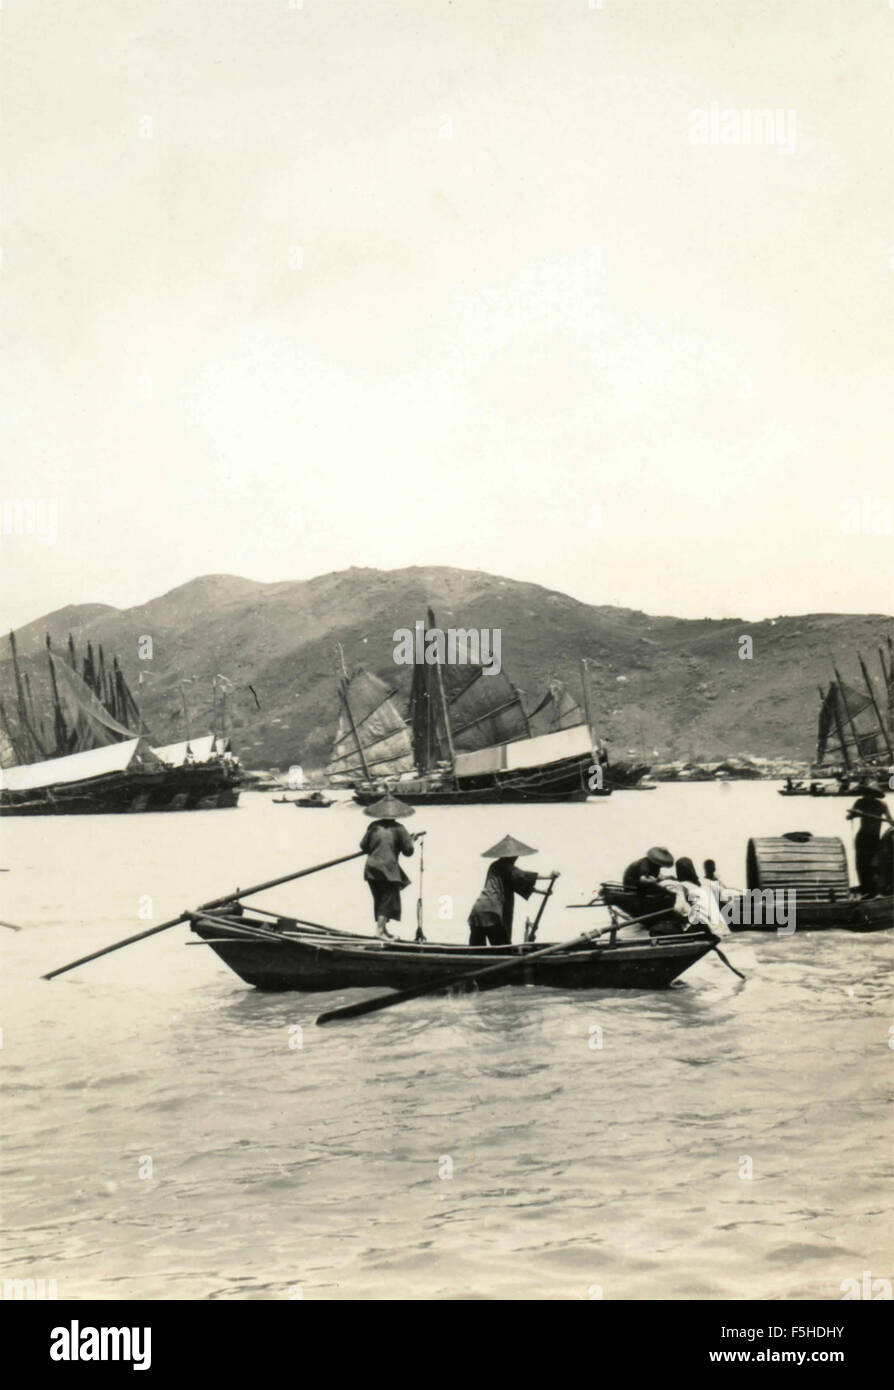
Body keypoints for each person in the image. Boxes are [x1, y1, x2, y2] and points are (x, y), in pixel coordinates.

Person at [468, 835, 557, 946]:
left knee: (477, 950)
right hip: (492, 913)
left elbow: (515, 884)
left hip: (477, 911)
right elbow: (522, 876)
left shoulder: (495, 866)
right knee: (502, 948)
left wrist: (542, 892)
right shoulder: (506, 867)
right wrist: (549, 876)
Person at [359, 794, 416, 938]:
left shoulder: (373, 826)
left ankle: (383, 930)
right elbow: (408, 852)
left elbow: (363, 846)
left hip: (371, 868)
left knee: (379, 898)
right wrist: (411, 841)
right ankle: (379, 932)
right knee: (387, 899)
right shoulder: (399, 828)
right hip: (387, 870)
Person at [846, 784, 893, 896]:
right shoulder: (860, 802)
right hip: (862, 838)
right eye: (865, 794)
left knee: (873, 864)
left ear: (874, 795)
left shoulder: (882, 805)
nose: (866, 796)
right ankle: (864, 888)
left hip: (874, 839)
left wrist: (892, 824)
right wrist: (855, 814)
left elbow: (890, 820)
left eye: (869, 794)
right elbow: (848, 817)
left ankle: (873, 889)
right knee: (861, 864)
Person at [621, 846, 677, 918]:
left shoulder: (652, 864)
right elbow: (643, 879)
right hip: (633, 886)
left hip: (641, 883)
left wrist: (666, 878)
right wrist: (658, 883)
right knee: (663, 891)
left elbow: (654, 875)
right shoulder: (644, 865)